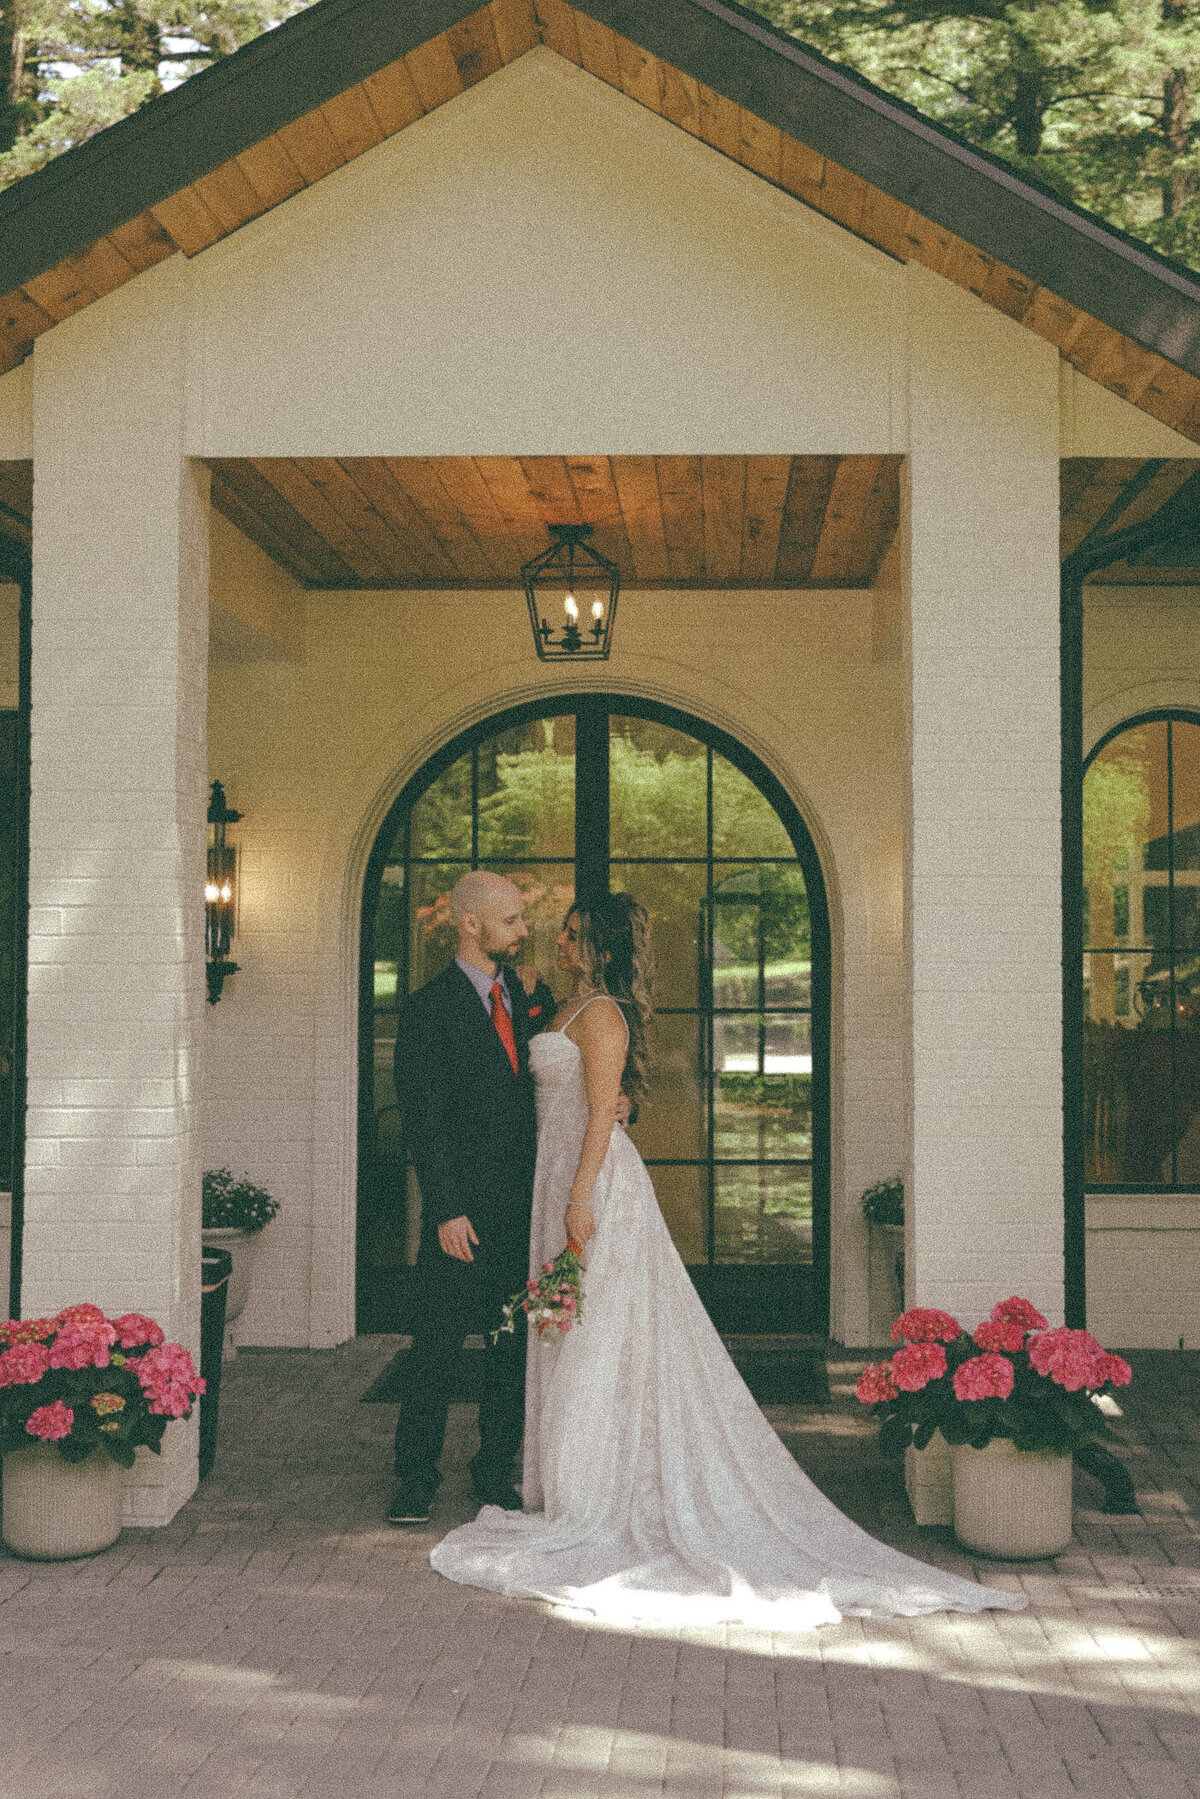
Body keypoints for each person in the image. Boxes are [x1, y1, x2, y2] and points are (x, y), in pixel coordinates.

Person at [430, 893, 1027, 1629]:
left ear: (601, 945)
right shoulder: (555, 1005)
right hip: (550, 1183)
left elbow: (599, 1110)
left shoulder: (605, 1012)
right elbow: (578, 1096)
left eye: (573, 932)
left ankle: (598, 1492)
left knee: (600, 1335)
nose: (557, 938)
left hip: (588, 1189)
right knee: (570, 1333)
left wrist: (580, 1197)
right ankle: (568, 1482)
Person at [387, 870, 555, 1525]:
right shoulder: (427, 1009)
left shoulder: (532, 995)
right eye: (511, 919)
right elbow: (422, 1120)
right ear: (471, 923)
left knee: (511, 1347)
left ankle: (494, 1471)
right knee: (435, 1346)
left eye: (521, 918)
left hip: (526, 1210)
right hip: (460, 1215)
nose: (522, 930)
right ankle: (413, 1475)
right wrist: (447, 1208)